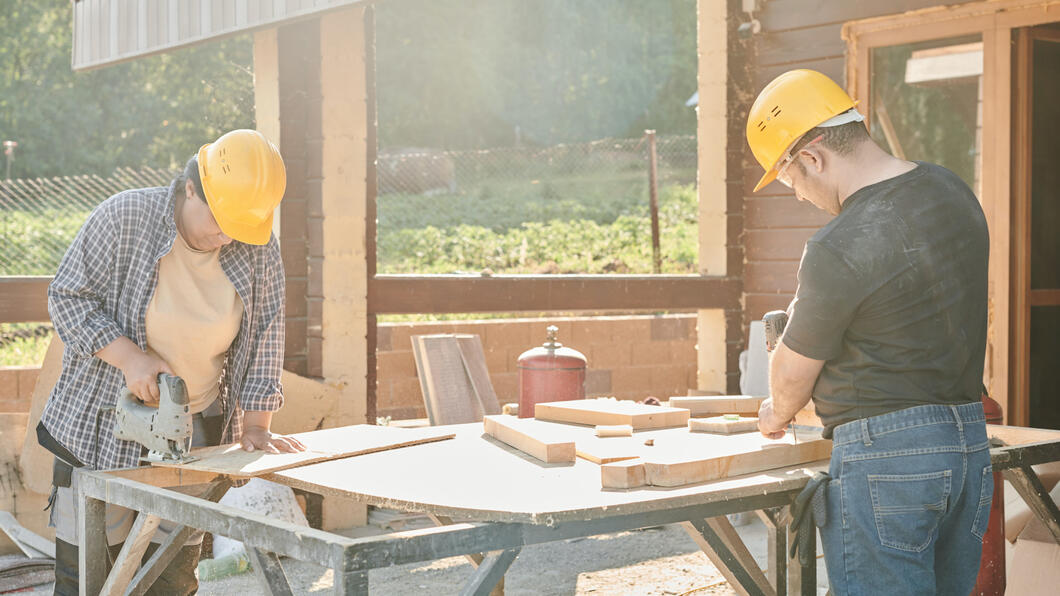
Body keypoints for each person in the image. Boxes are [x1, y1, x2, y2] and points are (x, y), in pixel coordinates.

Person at [746, 70, 992, 595]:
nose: (799, 197)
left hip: (886, 458)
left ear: (813, 157)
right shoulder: (954, 192)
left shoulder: (839, 243)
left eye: (791, 181)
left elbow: (791, 377)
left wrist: (775, 412)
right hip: (969, 445)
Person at [39, 129, 306, 595]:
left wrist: (257, 425)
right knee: (89, 578)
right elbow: (67, 297)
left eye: (239, 227)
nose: (227, 236)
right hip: (101, 426)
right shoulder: (125, 218)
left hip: (191, 430)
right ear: (190, 187)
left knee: (173, 574)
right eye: (220, 220)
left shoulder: (257, 246)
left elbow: (266, 334)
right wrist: (130, 359)